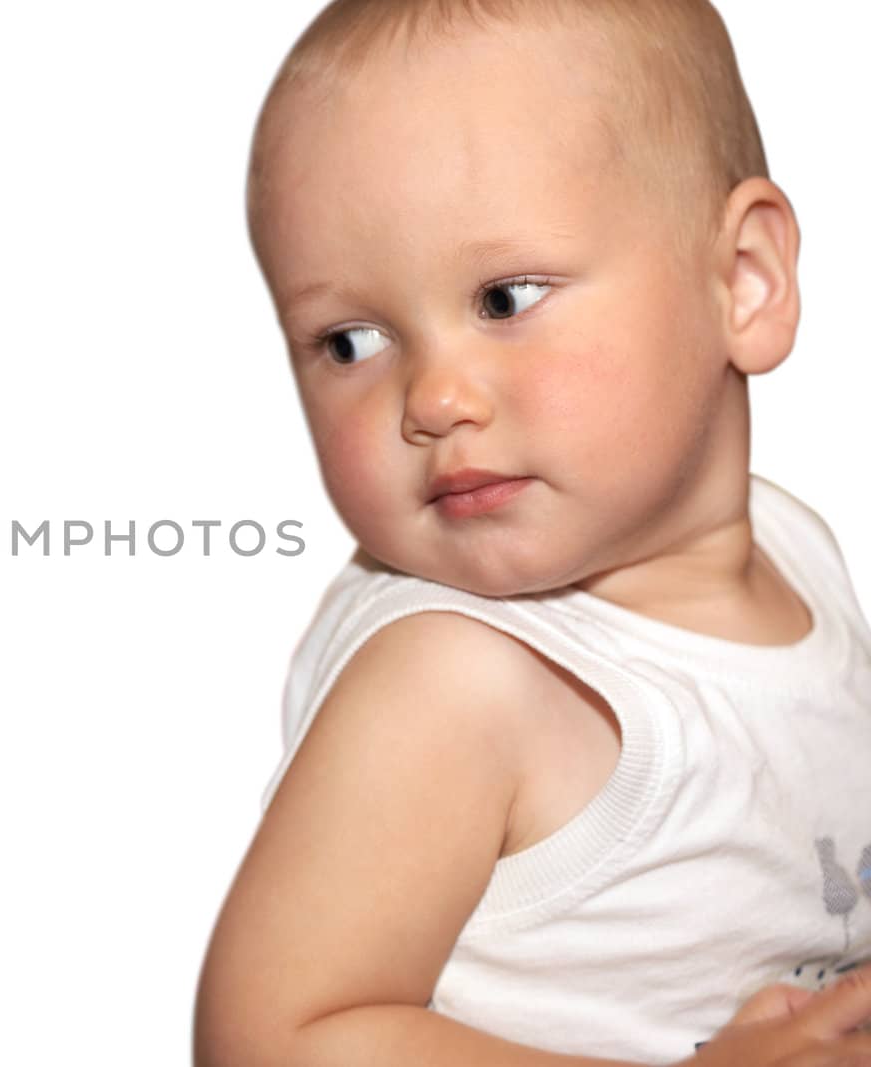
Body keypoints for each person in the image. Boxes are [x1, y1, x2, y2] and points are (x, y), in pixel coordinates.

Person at [193, 1, 871, 1065]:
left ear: (743, 281)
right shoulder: (457, 677)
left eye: (504, 297)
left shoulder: (798, 551)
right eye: (349, 339)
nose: (433, 396)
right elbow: (275, 1037)